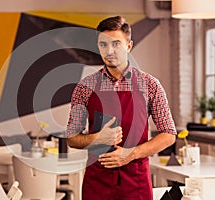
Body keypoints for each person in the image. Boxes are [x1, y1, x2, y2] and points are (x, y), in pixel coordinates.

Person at [66, 16, 176, 200]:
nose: (109, 51)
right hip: (97, 183)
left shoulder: (150, 85)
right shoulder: (85, 88)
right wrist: (96, 138)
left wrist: (130, 154)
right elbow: (72, 138)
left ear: (129, 46)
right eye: (103, 45)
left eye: (116, 44)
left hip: (136, 183)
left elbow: (168, 134)